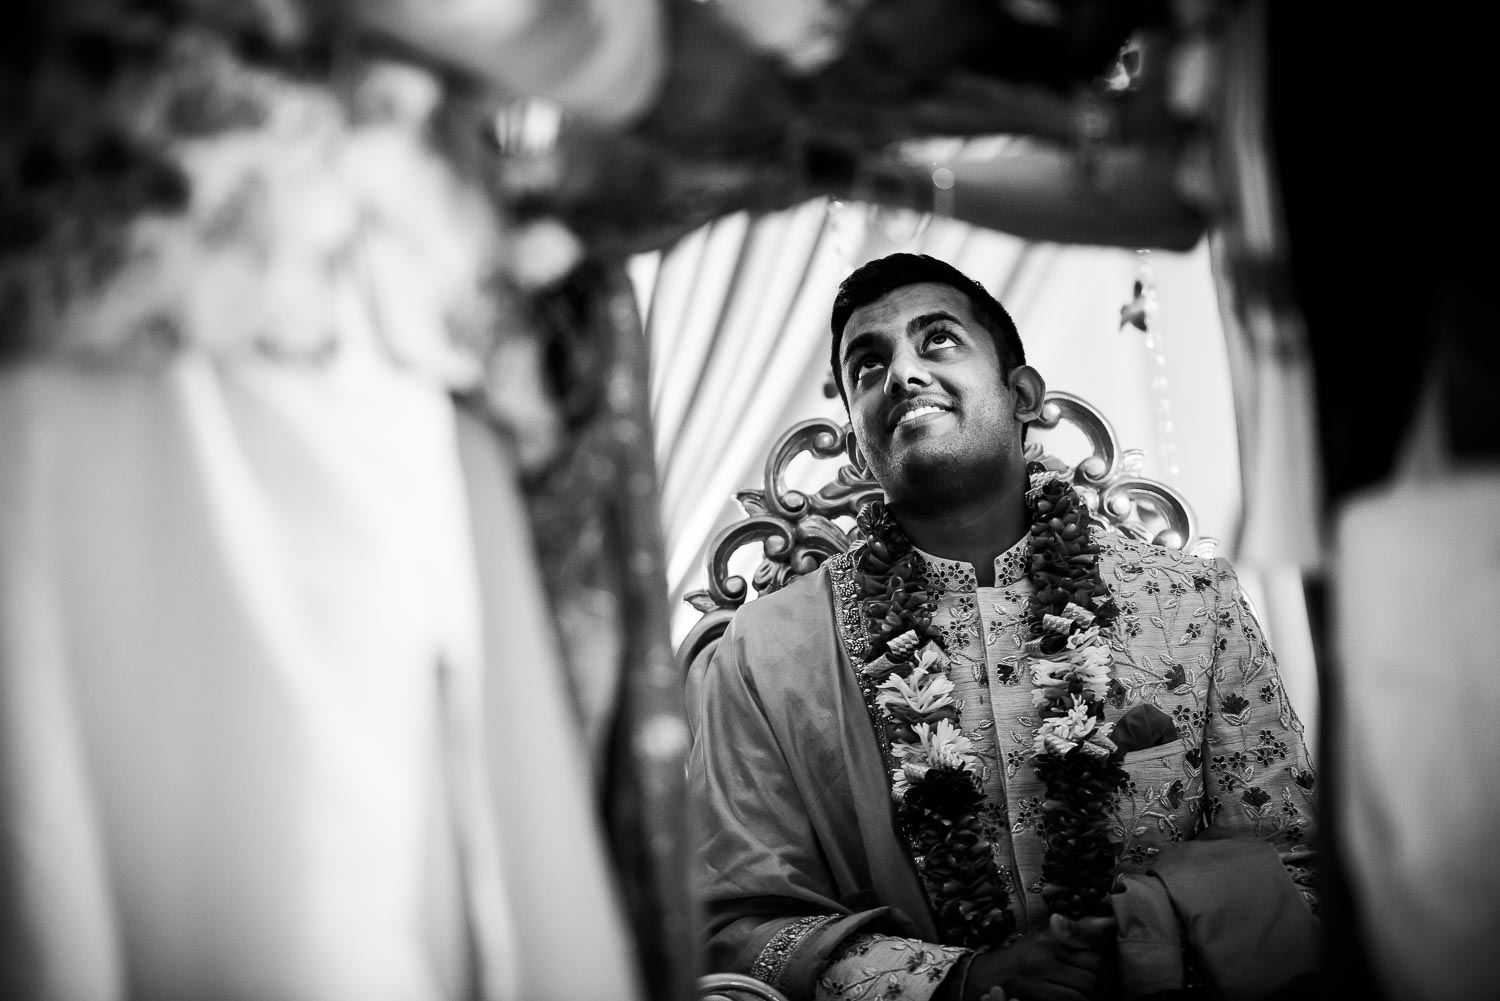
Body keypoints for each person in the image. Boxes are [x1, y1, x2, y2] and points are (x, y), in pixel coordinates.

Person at [686, 252, 1320, 1001]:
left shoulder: (1193, 603)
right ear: (859, 443)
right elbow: (735, 924)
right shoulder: (764, 651)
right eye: (868, 364)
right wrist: (960, 981)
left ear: (1022, 393)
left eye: (939, 340)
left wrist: (1146, 931)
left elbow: (1296, 868)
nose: (902, 373)